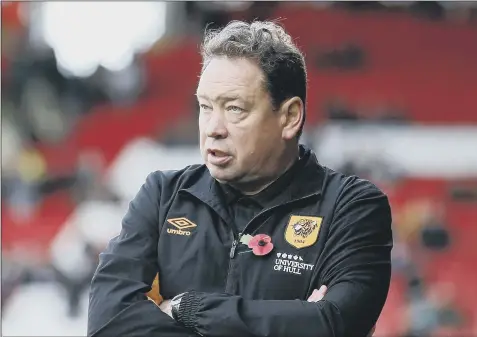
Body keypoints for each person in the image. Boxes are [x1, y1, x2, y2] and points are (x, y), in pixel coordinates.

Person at [87, 20, 392, 337]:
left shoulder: (352, 206)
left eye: (234, 109)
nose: (213, 128)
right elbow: (108, 325)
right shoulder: (163, 195)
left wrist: (186, 309)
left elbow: (336, 324)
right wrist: (297, 319)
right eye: (205, 107)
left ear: (289, 117)